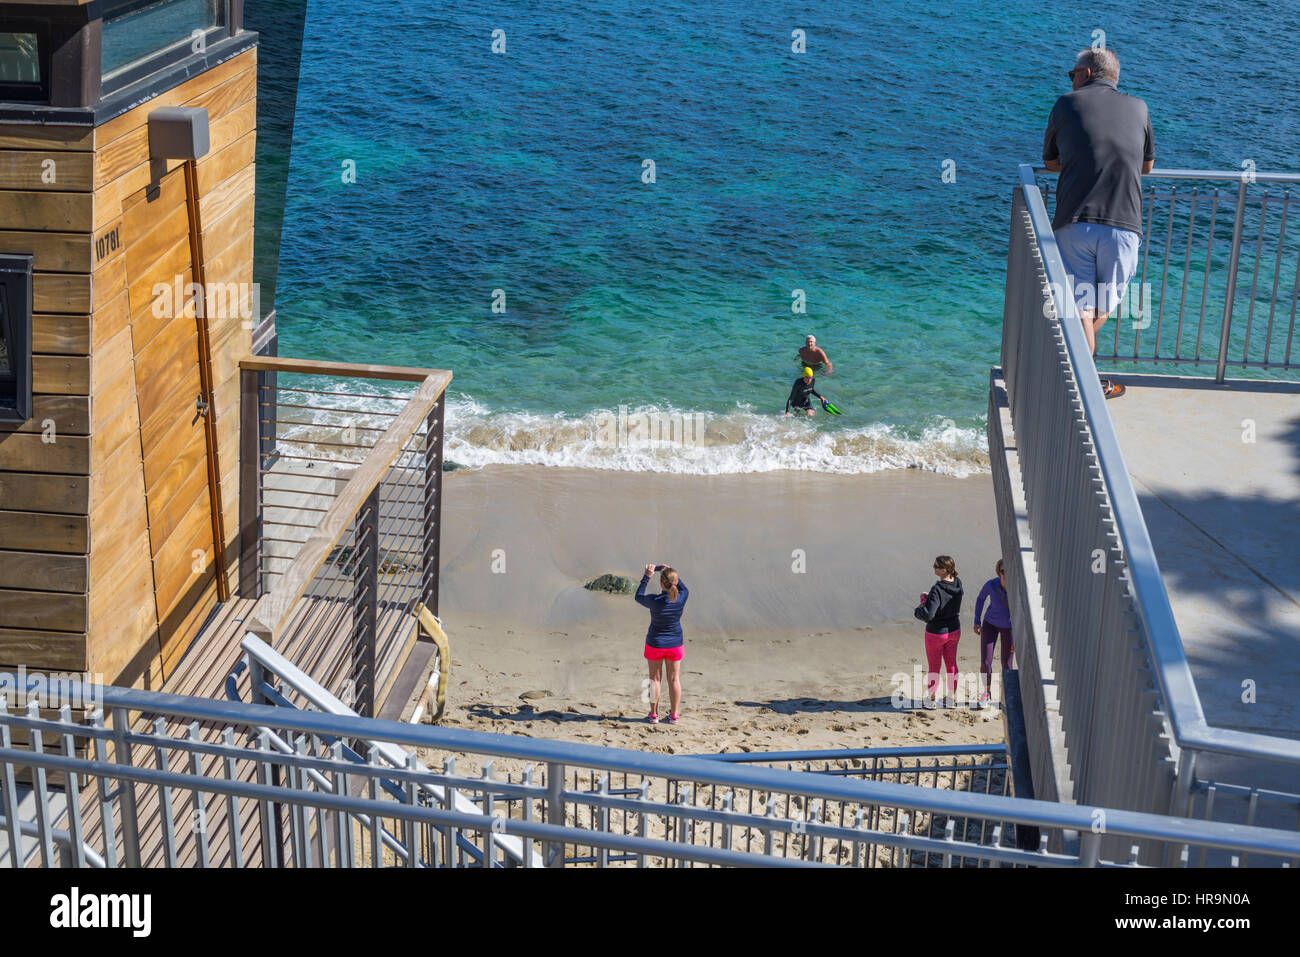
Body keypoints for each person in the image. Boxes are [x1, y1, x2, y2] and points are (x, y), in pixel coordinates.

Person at [1042, 46, 1155, 400]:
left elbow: (1050, 162)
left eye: (1072, 74)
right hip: (1125, 225)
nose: (1071, 80)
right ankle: (1089, 380)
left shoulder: (1065, 104)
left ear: (1086, 74)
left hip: (1075, 221)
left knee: (1080, 309)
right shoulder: (1139, 107)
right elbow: (1147, 166)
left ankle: (1084, 381)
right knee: (1099, 308)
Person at [635, 563, 689, 724]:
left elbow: (638, 596)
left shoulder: (654, 600)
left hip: (655, 643)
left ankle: (653, 714)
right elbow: (683, 587)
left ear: (661, 583)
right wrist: (670, 572)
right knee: (674, 679)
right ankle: (674, 715)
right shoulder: (681, 598)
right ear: (675, 581)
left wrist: (646, 576)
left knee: (654, 680)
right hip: (675, 644)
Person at [914, 555, 963, 707]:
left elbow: (929, 615)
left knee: (934, 666)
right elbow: (946, 601)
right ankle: (951, 698)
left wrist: (921, 605)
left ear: (943, 570)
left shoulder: (937, 589)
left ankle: (931, 699)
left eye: (936, 566)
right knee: (951, 664)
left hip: (936, 633)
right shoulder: (958, 583)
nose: (933, 567)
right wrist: (930, 599)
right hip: (954, 630)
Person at [972, 559, 1014, 707]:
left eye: (1009, 571)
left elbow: (1024, 613)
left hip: (1009, 629)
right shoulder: (992, 585)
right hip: (989, 625)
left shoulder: (1017, 588)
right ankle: (986, 693)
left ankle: (1007, 696)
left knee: (1007, 664)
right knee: (985, 661)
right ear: (999, 572)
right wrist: (977, 621)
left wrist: (1018, 638)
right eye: (1003, 571)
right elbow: (980, 599)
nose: (1006, 575)